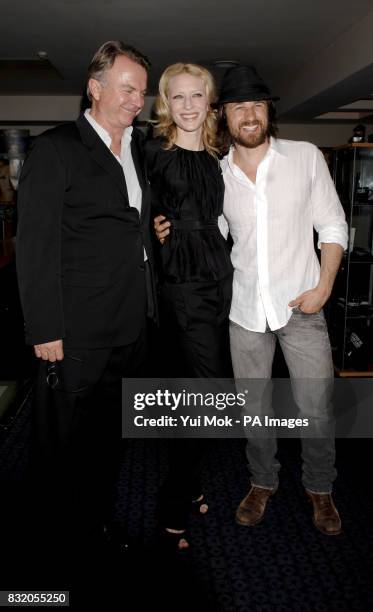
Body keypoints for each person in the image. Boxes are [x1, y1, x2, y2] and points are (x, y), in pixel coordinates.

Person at [156, 65, 348, 536]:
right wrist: (169, 230)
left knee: (315, 406)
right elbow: (214, 233)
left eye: (257, 104)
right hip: (242, 312)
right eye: (238, 106)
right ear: (223, 114)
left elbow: (333, 225)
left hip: (301, 306)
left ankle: (320, 488)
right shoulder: (216, 173)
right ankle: (263, 482)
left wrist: (324, 287)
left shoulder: (305, 157)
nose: (248, 114)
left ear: (268, 112)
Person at [16, 40, 155, 557]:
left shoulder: (139, 149)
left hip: (128, 331)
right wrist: (44, 330)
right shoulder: (57, 148)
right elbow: (33, 247)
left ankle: (94, 522)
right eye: (126, 88)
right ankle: (49, 545)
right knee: (58, 449)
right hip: (72, 335)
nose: (137, 100)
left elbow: (131, 226)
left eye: (142, 92)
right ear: (95, 89)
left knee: (107, 445)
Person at [145, 63, 233, 550]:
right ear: (165, 102)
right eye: (177, 97)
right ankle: (171, 507)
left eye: (196, 96)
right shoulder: (153, 152)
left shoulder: (220, 154)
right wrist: (155, 232)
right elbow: (132, 208)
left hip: (220, 277)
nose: (187, 106)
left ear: (209, 101)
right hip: (180, 280)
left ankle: (191, 481)